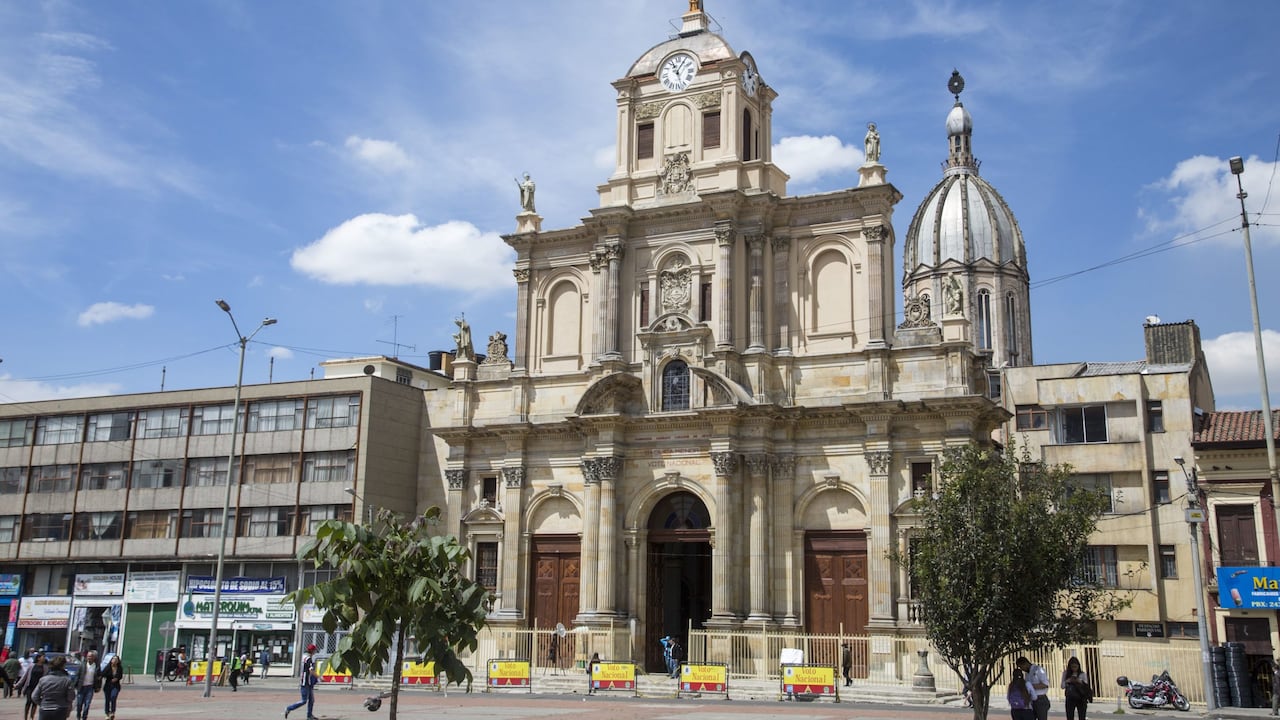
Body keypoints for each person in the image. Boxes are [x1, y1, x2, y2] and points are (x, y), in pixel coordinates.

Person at [32, 654, 75, 720]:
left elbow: (34, 696)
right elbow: (71, 697)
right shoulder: (67, 680)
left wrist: (42, 703)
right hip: (60, 709)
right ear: (63, 666)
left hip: (45, 709)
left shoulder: (43, 679)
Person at [284, 643, 319, 720]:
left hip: (308, 682)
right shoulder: (308, 659)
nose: (315, 651)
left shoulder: (305, 657)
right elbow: (311, 671)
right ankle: (289, 708)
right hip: (305, 682)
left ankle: (309, 715)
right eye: (315, 650)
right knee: (304, 701)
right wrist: (319, 677)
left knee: (311, 700)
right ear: (312, 651)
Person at [17, 653, 46, 720]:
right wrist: (18, 684)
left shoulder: (45, 667)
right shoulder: (32, 666)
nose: (44, 658)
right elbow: (25, 676)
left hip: (38, 687)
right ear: (38, 658)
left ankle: (32, 717)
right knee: (28, 701)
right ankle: (26, 717)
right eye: (42, 657)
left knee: (34, 702)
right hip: (30, 686)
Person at [1061, 656, 1090, 720]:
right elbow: (1062, 686)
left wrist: (1079, 681)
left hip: (1081, 697)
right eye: (1072, 667)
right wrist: (1068, 681)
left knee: (1082, 716)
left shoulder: (1082, 674)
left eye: (1076, 667)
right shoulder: (1066, 673)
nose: (1074, 669)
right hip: (1070, 697)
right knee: (1070, 716)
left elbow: (1086, 686)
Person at [72, 650, 97, 720]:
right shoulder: (82, 665)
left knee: (87, 703)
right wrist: (74, 685)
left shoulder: (96, 666)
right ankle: (78, 715)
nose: (89, 658)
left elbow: (98, 677)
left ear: (94, 657)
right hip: (81, 687)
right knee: (79, 703)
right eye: (88, 656)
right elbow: (77, 675)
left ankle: (84, 717)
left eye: (91, 656)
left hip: (90, 687)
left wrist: (98, 686)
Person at [100, 655, 123, 720]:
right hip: (108, 685)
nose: (115, 660)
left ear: (118, 661)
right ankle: (107, 713)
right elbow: (103, 674)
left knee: (113, 697)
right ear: (111, 660)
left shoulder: (119, 668)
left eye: (116, 659)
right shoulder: (108, 667)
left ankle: (112, 712)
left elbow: (120, 676)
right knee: (107, 700)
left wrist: (117, 678)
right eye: (113, 659)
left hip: (116, 686)